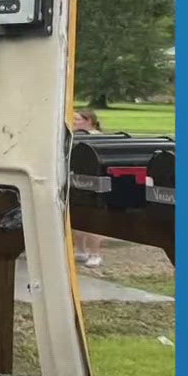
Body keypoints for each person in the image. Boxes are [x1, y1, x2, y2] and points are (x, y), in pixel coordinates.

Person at [71, 109, 105, 269]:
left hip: (93, 184)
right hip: (76, 181)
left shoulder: (96, 137)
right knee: (77, 218)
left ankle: (95, 253)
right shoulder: (72, 136)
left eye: (76, 119)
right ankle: (80, 250)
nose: (73, 122)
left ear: (89, 121)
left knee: (93, 221)